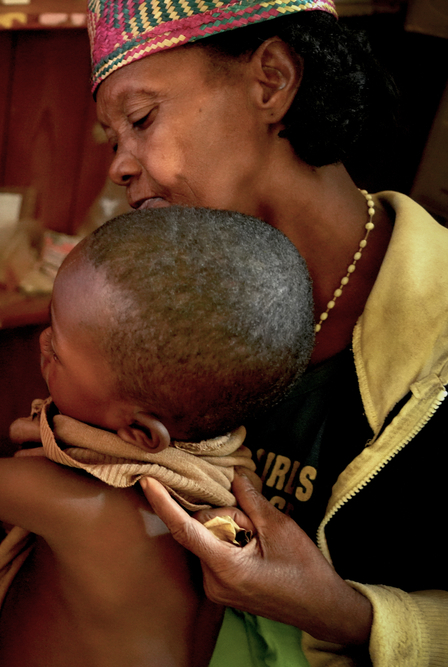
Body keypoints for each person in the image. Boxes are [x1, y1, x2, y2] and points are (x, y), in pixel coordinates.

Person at [83, 0, 448, 664]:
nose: (120, 165)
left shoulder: (441, 339)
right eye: (113, 139)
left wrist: (348, 615)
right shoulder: (162, 305)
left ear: (272, 80)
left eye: (141, 120)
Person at [0, 205, 316, 667]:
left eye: (59, 348)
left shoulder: (78, 500)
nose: (42, 343)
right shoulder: (223, 476)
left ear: (139, 432)